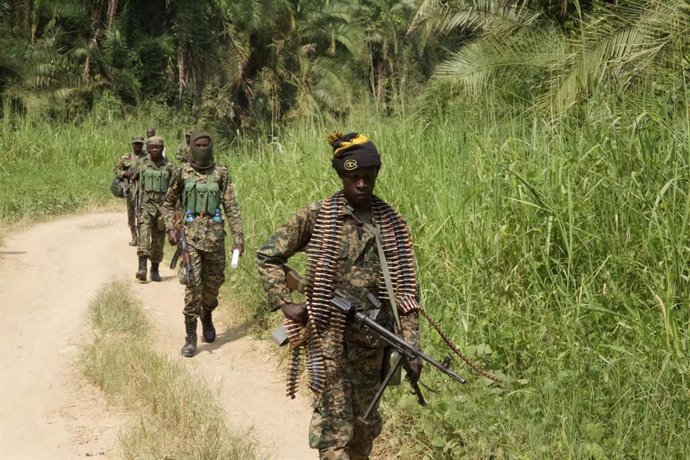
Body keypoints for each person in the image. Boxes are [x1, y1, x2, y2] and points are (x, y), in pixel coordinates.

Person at [256, 131, 422, 459]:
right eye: (353, 177)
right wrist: (285, 303)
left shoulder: (391, 223)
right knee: (334, 429)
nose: (361, 184)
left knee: (364, 426)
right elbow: (268, 255)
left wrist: (412, 347)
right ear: (341, 175)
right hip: (326, 338)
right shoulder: (319, 216)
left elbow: (406, 292)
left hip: (372, 344)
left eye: (368, 177)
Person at [163, 128, 244, 358]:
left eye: (205, 145)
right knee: (193, 286)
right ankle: (190, 337)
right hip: (190, 240)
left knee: (213, 286)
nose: (201, 148)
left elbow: (232, 207)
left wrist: (238, 239)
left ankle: (207, 314)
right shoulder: (182, 173)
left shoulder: (221, 173)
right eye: (197, 145)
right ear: (191, 147)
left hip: (216, 239)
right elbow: (168, 204)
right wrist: (171, 228)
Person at [135, 136, 176, 282]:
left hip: (162, 209)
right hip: (146, 206)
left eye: (158, 147)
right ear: (148, 148)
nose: (155, 150)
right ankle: (142, 268)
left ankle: (155, 269)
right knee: (144, 237)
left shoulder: (169, 166)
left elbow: (175, 187)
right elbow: (136, 184)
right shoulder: (142, 165)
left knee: (158, 241)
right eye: (152, 147)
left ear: (162, 149)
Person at [113, 135, 147, 246]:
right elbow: (116, 170)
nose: (138, 146)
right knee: (131, 214)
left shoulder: (147, 157)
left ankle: (143, 238)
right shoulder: (126, 157)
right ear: (132, 144)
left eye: (140, 144)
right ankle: (134, 237)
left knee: (143, 214)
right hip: (130, 189)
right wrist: (124, 173)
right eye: (136, 144)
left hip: (144, 189)